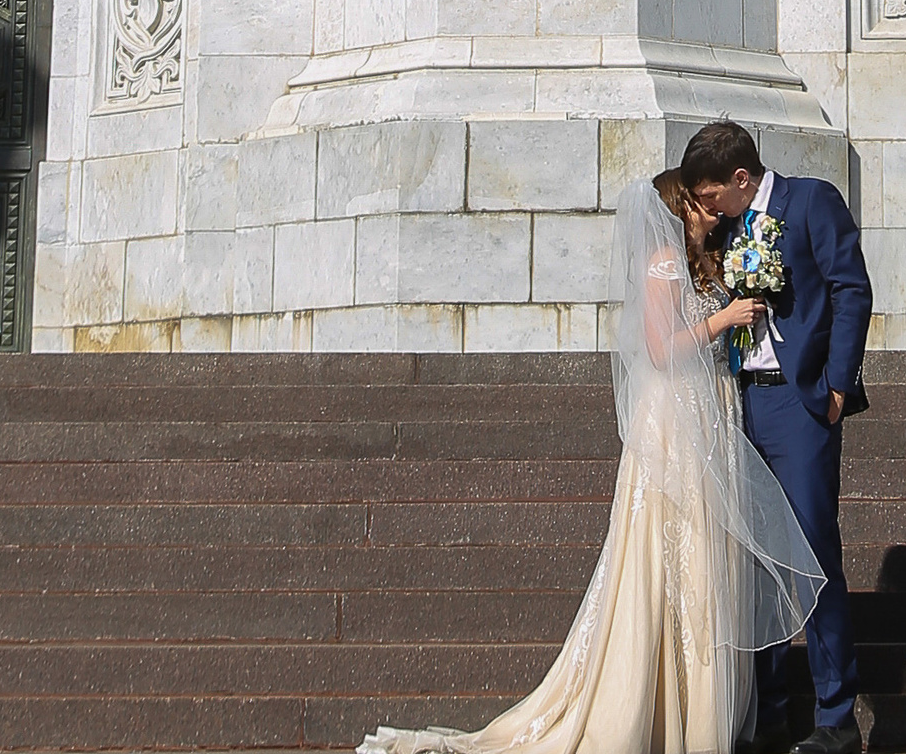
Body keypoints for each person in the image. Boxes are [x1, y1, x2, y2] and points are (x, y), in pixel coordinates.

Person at [360, 173, 821, 754]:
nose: (714, 212)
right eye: (703, 203)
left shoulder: (704, 261)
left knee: (704, 554)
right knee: (670, 549)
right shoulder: (663, 263)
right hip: (677, 421)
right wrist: (722, 322)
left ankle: (694, 705)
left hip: (709, 412)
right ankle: (655, 708)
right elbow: (660, 348)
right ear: (684, 206)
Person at [681, 120, 873, 754]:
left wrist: (837, 385)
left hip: (800, 402)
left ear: (742, 179)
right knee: (757, 559)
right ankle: (768, 710)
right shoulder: (728, 227)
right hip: (742, 404)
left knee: (813, 556)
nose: (709, 209)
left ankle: (836, 716)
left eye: (713, 196)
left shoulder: (811, 201)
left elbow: (851, 288)